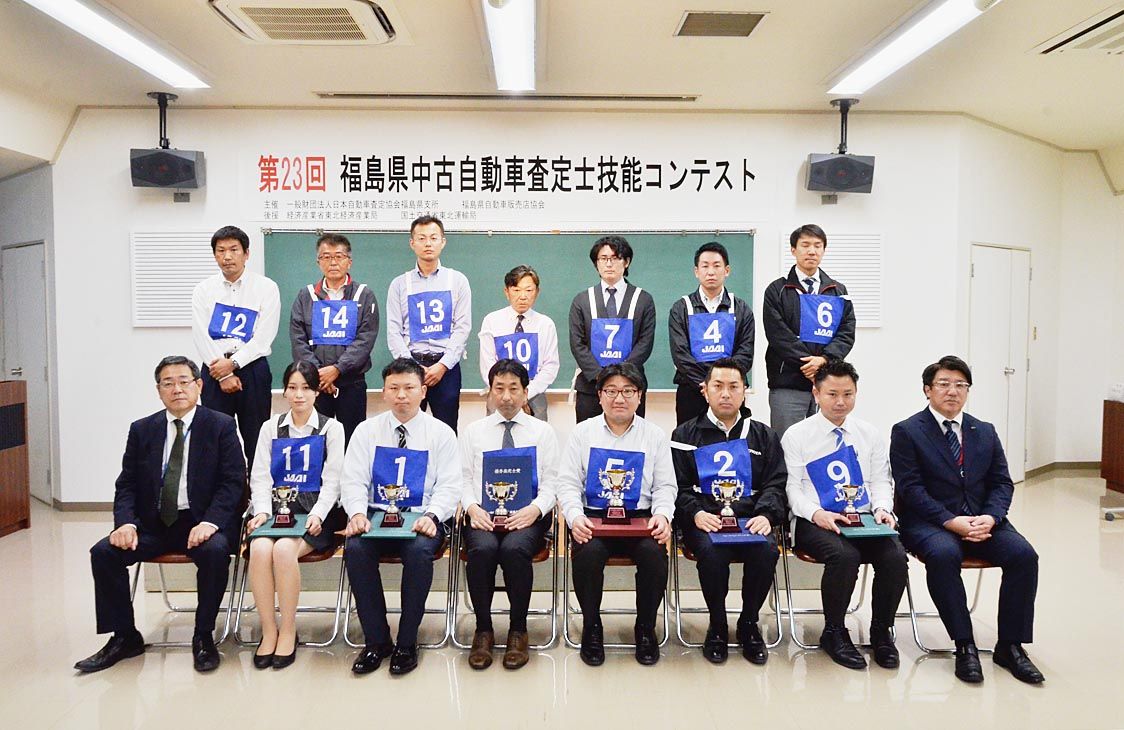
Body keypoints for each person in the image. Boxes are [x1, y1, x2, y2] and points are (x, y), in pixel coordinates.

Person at [75, 356, 245, 674]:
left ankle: (203, 635)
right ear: (158, 390)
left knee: (215, 551)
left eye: (183, 381)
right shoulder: (142, 430)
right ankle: (124, 636)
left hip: (201, 521)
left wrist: (210, 522)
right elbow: (127, 484)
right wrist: (125, 523)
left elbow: (233, 482)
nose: (176, 389)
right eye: (168, 383)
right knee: (104, 553)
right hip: (154, 524)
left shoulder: (220, 425)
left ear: (199, 385)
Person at [890, 355, 1043, 685]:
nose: (953, 391)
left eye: (961, 385)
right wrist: (950, 521)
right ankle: (964, 645)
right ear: (927, 389)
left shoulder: (983, 431)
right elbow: (910, 489)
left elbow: (1002, 482)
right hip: (929, 522)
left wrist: (991, 516)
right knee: (944, 555)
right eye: (944, 384)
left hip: (983, 520)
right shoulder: (907, 431)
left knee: (1024, 556)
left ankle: (1011, 646)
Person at [340, 358, 462, 676]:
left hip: (422, 518)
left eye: (409, 387)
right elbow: (352, 480)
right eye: (394, 388)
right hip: (376, 517)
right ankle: (377, 641)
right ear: (384, 392)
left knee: (420, 552)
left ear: (423, 391)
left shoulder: (441, 433)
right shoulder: (366, 431)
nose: (401, 395)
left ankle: (407, 642)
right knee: (356, 548)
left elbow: (451, 484)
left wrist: (433, 516)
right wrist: (356, 513)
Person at [781, 360, 905, 670]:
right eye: (832, 394)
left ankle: (881, 632)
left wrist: (882, 509)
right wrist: (817, 513)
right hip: (814, 520)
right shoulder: (797, 435)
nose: (840, 402)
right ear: (816, 393)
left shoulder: (869, 434)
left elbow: (881, 480)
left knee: (895, 556)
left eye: (848, 394)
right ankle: (834, 632)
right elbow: (791, 489)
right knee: (845, 556)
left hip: (862, 518)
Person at [556, 362, 675, 666]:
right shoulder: (582, 433)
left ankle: (645, 628)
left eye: (627, 391)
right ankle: (592, 627)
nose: (619, 398)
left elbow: (665, 486)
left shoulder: (655, 435)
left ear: (640, 396)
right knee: (588, 554)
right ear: (599, 396)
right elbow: (567, 483)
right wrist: (575, 517)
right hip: (594, 519)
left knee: (653, 554)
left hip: (640, 519)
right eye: (611, 391)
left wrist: (663, 516)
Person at [670, 357, 785, 665]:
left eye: (733, 387)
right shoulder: (684, 435)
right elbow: (677, 487)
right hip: (705, 520)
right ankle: (718, 625)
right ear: (704, 390)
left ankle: (748, 624)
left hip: (751, 518)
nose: (725, 394)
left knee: (766, 550)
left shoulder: (763, 435)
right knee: (711, 552)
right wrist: (695, 513)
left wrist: (766, 515)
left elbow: (776, 483)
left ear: (744, 391)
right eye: (718, 386)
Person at [244, 361, 345, 670]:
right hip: (276, 511)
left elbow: (333, 481)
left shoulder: (331, 428)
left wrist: (317, 514)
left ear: (317, 392)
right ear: (284, 391)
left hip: (316, 515)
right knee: (260, 549)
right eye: (292, 387)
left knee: (284, 550)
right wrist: (262, 511)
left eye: (306, 388)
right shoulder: (270, 427)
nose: (299, 395)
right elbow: (260, 476)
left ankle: (288, 630)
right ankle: (269, 631)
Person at [460, 359, 560, 670]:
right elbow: (462, 479)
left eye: (513, 389)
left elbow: (553, 482)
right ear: (490, 392)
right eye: (499, 388)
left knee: (515, 549)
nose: (506, 396)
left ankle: (518, 629)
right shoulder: (473, 432)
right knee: (483, 549)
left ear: (526, 392)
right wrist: (472, 508)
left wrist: (535, 509)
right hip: (482, 514)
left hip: (528, 515)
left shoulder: (543, 432)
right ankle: (483, 630)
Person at [192, 225, 281, 467]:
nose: (227, 256)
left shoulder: (266, 287)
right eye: (221, 251)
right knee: (215, 439)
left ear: (246, 253)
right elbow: (201, 334)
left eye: (234, 249)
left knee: (257, 438)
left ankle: (258, 489)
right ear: (214, 255)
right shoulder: (203, 290)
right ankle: (225, 490)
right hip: (214, 370)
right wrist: (223, 374)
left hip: (253, 369)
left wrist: (233, 364)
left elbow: (264, 336)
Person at [762, 224, 855, 436]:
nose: (811, 251)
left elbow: (847, 331)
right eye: (805, 245)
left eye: (817, 245)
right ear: (793, 250)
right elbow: (778, 334)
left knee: (826, 443)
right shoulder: (777, 290)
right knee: (786, 442)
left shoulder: (838, 291)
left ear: (824, 250)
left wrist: (824, 360)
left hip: (828, 383)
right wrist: (808, 363)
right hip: (788, 382)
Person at [289, 232, 380, 444]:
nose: (333, 262)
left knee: (353, 441)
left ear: (349, 261)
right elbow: (297, 338)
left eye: (339, 256)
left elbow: (365, 339)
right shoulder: (306, 295)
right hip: (316, 384)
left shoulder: (364, 295)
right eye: (326, 257)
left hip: (352, 382)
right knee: (317, 442)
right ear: (318, 262)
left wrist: (337, 369)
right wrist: (318, 374)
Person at [386, 216, 472, 433]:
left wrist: (442, 365)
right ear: (412, 243)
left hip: (446, 368)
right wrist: (412, 367)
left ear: (443, 242)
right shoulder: (399, 284)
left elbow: (462, 327)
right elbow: (394, 331)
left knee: (447, 431)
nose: (428, 244)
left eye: (433, 238)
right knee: (408, 429)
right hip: (410, 366)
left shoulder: (457, 280)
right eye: (421, 238)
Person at [569, 236, 656, 422]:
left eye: (615, 258)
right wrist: (600, 376)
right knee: (589, 438)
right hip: (591, 387)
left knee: (631, 438)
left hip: (630, 386)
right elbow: (577, 343)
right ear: (596, 263)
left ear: (626, 262)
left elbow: (645, 342)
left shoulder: (643, 299)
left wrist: (621, 376)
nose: (609, 264)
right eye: (603, 258)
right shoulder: (582, 300)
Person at [668, 242, 755, 425]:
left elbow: (745, 353)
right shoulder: (681, 308)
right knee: (689, 440)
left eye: (716, 266)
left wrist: (721, 384)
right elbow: (680, 355)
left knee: (730, 440)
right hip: (692, 391)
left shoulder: (741, 308)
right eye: (705, 266)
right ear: (696, 271)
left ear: (727, 270)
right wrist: (707, 384)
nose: (711, 272)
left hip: (730, 392)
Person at [477, 264, 560, 421]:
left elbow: (551, 365)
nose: (523, 296)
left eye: (528, 290)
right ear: (506, 292)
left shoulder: (545, 324)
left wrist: (525, 394)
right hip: (499, 390)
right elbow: (487, 365)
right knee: (494, 432)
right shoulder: (492, 321)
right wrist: (508, 391)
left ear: (537, 292)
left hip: (534, 392)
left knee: (538, 433)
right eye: (516, 290)